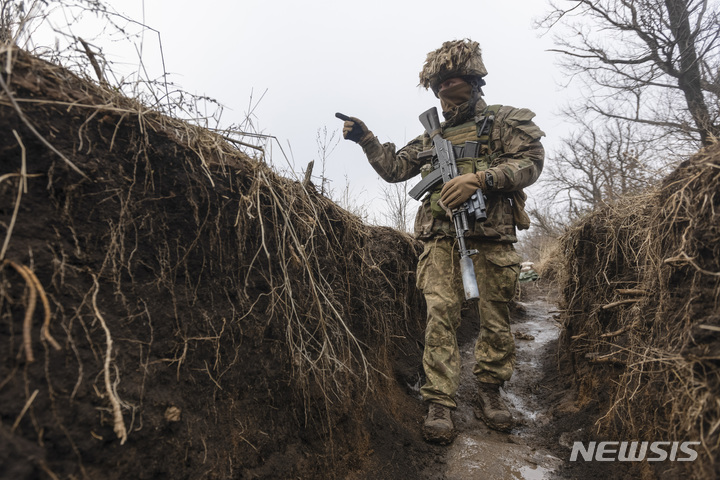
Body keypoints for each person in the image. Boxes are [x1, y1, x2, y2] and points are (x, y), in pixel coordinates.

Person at [338, 39, 544, 444]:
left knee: (495, 318)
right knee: (440, 318)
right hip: (440, 240)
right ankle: (440, 401)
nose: (444, 95)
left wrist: (478, 179)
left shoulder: (505, 121)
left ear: (472, 80)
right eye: (437, 87)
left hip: (490, 238)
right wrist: (367, 139)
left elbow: (530, 163)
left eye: (450, 84)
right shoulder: (431, 136)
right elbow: (396, 169)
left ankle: (490, 392)